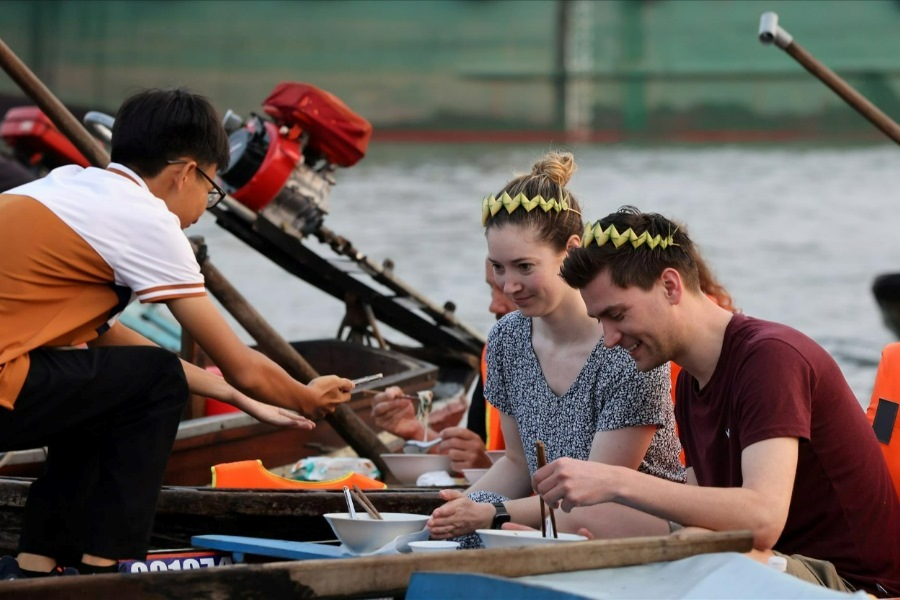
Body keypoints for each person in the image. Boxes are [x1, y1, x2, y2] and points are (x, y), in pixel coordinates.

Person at [0, 88, 355, 579]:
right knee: (153, 380)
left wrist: (239, 398)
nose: (205, 206)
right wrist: (304, 398)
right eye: (211, 188)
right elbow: (243, 364)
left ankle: (36, 563)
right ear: (186, 171)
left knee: (115, 386)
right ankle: (107, 567)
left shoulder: (63, 189)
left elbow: (108, 341)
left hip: (13, 382)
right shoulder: (147, 219)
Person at [534, 206, 900, 596]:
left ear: (670, 286)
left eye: (617, 314)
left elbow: (762, 519)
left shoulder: (770, 359)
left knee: (706, 556)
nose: (609, 338)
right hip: (771, 562)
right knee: (574, 523)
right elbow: (701, 515)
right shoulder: (689, 384)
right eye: (599, 321)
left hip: (853, 585)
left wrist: (617, 481)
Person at [427, 152, 684, 544]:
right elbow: (516, 463)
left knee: (495, 534)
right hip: (551, 515)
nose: (509, 285)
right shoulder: (506, 340)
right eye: (498, 268)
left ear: (572, 249)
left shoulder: (625, 343)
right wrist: (461, 508)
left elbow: (596, 490)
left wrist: (490, 513)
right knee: (444, 535)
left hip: (636, 519)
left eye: (524, 267)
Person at [371, 257, 516, 472]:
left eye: (507, 289)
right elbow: (475, 455)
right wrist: (418, 431)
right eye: (491, 289)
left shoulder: (577, 363)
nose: (494, 305)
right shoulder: (495, 354)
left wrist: (486, 468)